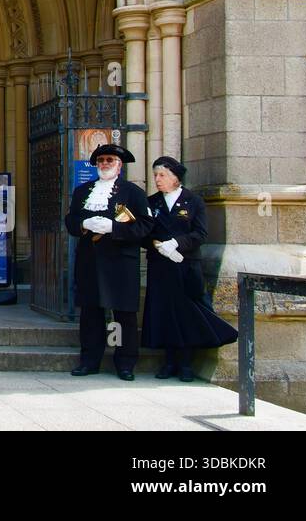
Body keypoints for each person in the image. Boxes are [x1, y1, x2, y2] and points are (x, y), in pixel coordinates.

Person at [141, 155, 238, 382]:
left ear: (175, 177)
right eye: (155, 175)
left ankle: (186, 364)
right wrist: (156, 244)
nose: (157, 179)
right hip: (160, 267)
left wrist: (176, 243)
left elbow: (200, 234)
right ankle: (169, 362)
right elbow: (144, 232)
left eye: (162, 175)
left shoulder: (193, 201)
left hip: (186, 267)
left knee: (186, 315)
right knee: (164, 313)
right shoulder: (152, 202)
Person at [64, 143, 153, 380]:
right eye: (101, 160)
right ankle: (89, 360)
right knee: (90, 313)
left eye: (109, 160)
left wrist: (114, 228)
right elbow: (70, 221)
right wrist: (83, 224)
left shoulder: (133, 193)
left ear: (119, 165)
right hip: (90, 261)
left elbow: (145, 226)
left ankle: (125, 363)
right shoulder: (82, 191)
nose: (104, 164)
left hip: (120, 263)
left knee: (122, 315)